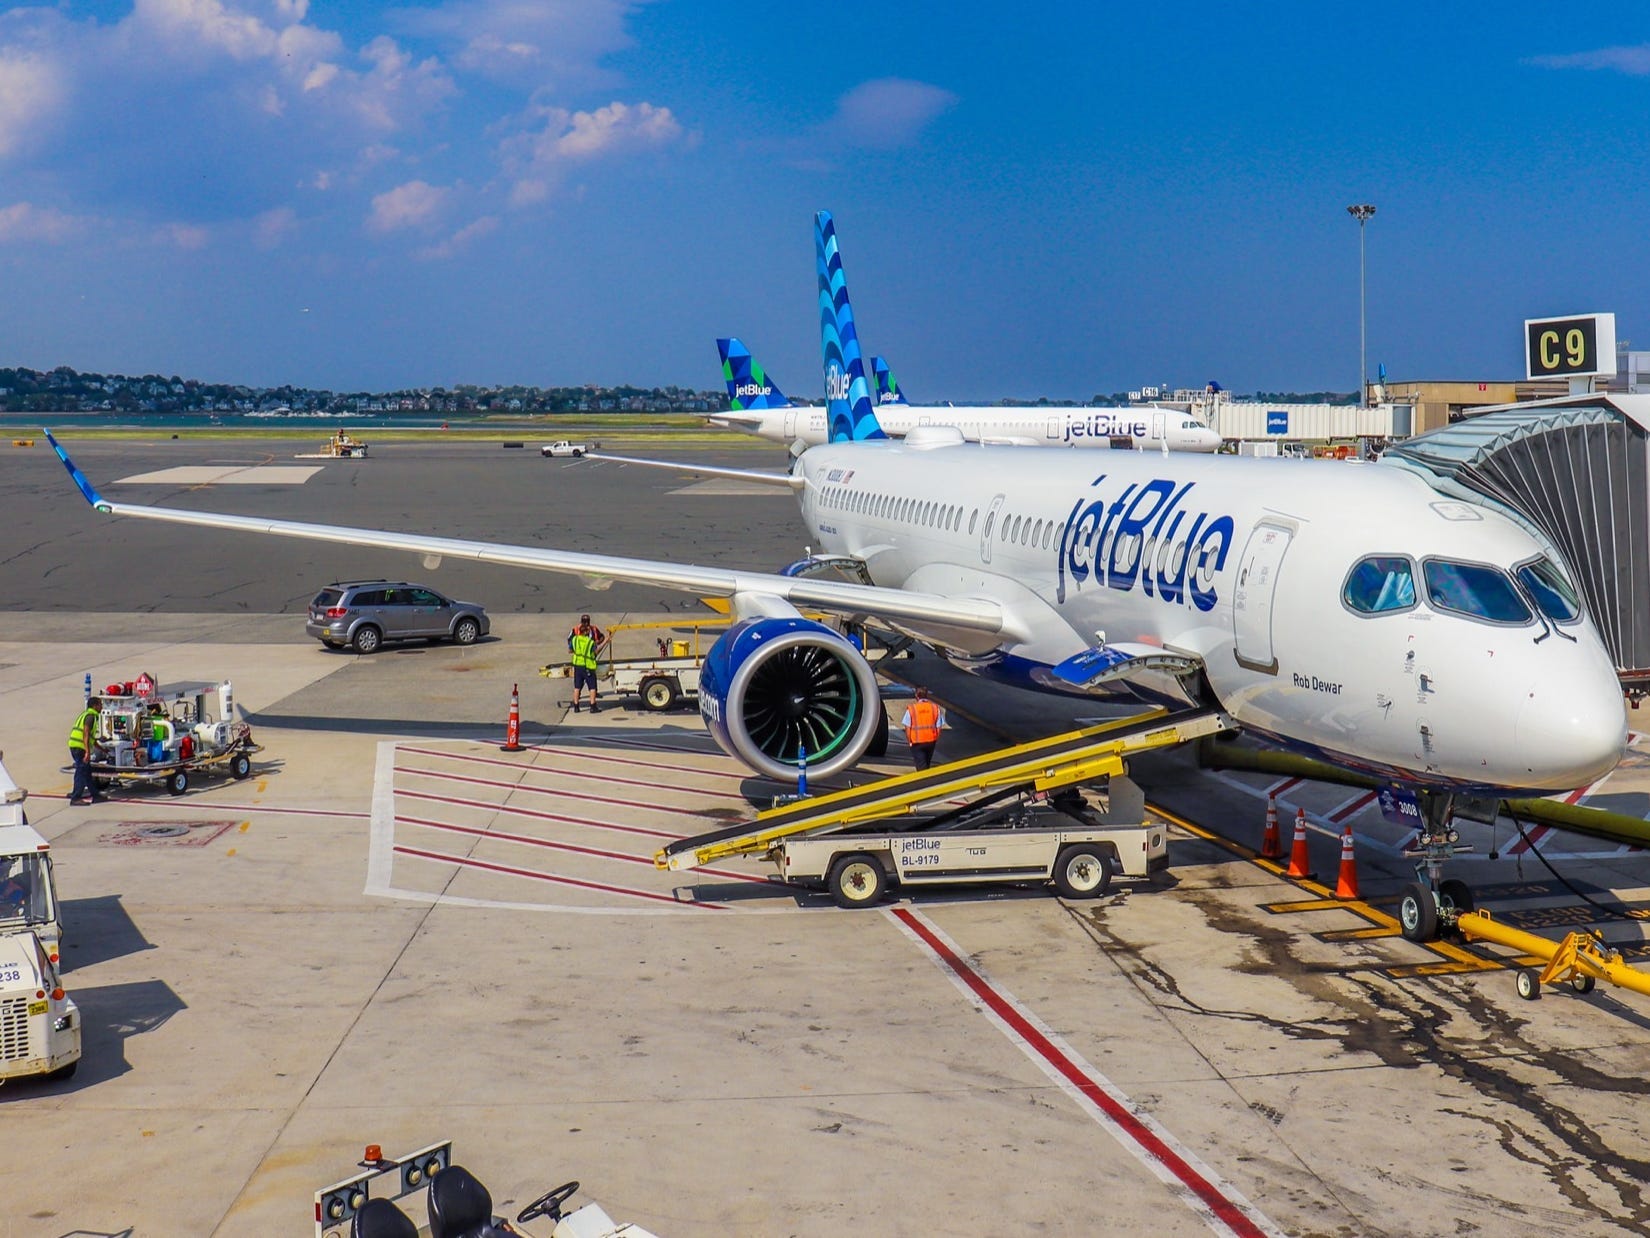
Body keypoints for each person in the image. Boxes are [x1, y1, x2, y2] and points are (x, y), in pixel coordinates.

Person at [67, 695, 105, 805]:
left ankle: (95, 795)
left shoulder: (86, 715)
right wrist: (88, 752)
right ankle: (75, 798)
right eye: (100, 704)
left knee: (87, 772)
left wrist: (102, 749)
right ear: (95, 706)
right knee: (82, 772)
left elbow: (91, 739)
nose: (102, 706)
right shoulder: (90, 717)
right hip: (80, 748)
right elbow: (86, 734)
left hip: (75, 745)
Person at [900, 686, 946, 771]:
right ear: (927, 695)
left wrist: (909, 741)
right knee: (927, 763)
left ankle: (924, 782)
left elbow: (907, 727)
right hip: (930, 741)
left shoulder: (912, 709)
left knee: (921, 766)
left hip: (917, 742)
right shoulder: (935, 708)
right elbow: (938, 727)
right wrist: (935, 738)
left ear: (916, 695)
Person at [567, 614, 606, 713]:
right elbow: (596, 651)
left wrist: (578, 652)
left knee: (577, 687)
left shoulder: (575, 638)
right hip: (588, 665)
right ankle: (593, 706)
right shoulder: (590, 642)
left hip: (577, 665)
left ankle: (576, 706)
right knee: (592, 687)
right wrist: (605, 642)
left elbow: (570, 650)